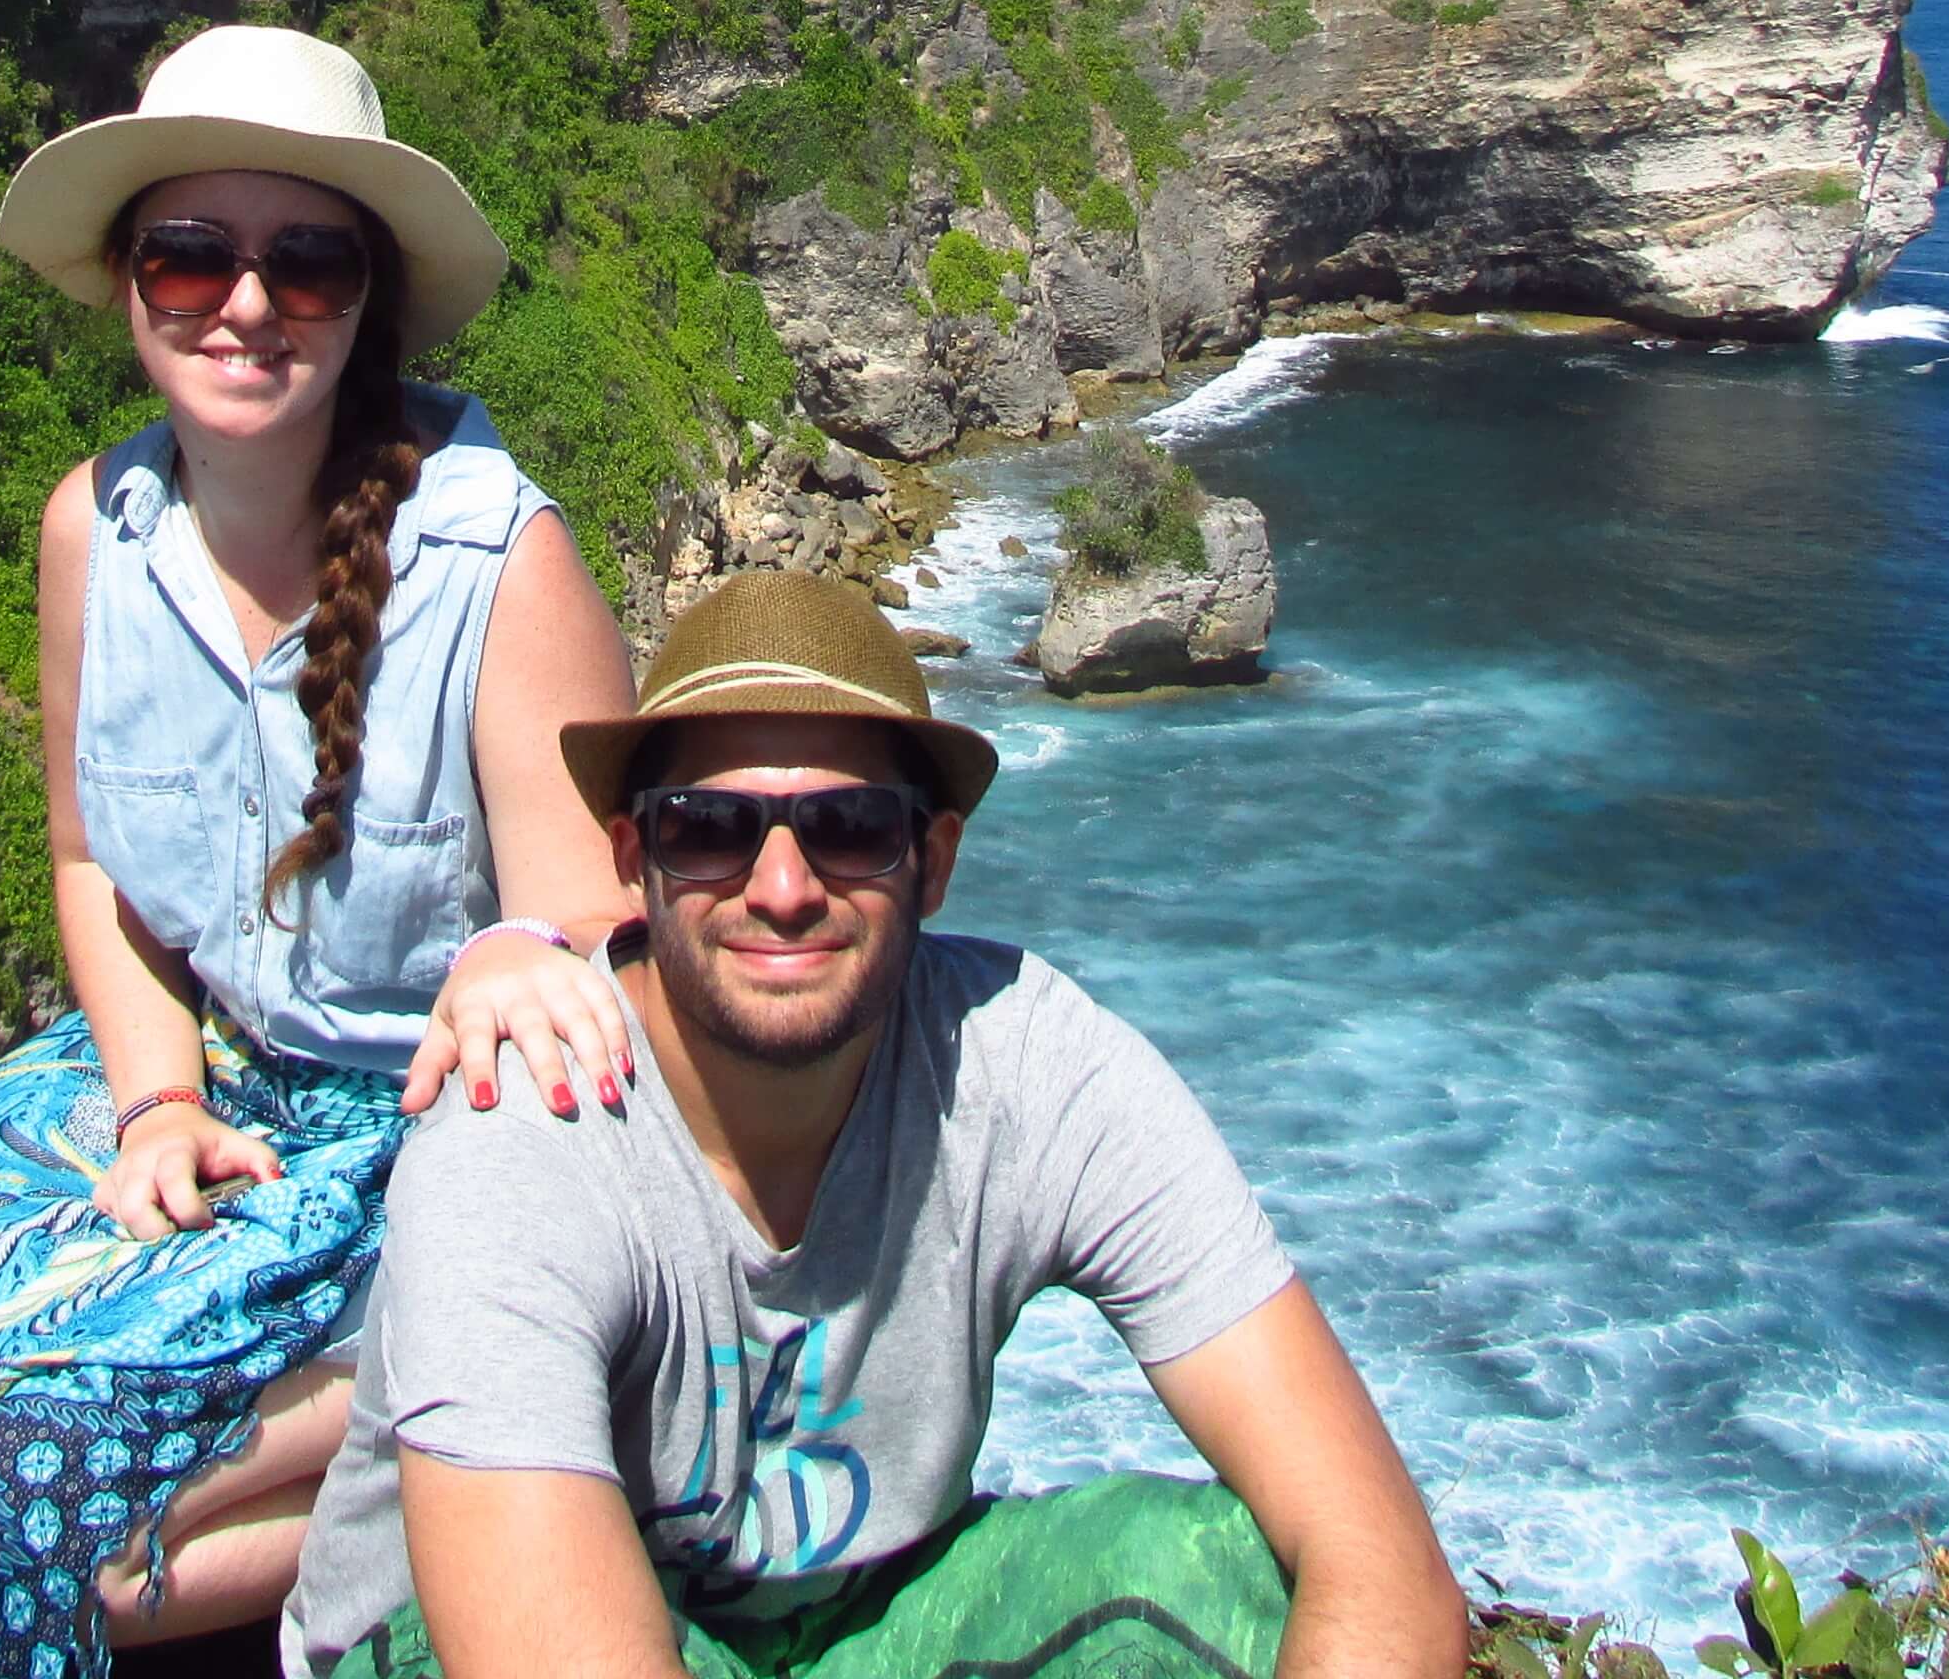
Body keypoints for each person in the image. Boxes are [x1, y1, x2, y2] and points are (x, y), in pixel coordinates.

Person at [0, 23, 642, 1679]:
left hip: (438, 1144)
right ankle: (432, 1446)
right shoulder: (96, 528)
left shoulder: (493, 559)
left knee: (9, 1507)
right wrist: (157, 1101)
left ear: (366, 302)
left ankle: (503, 1421)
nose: (245, 303)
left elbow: (599, 931)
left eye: (307, 263)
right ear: (128, 281)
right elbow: (91, 858)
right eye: (190, 255)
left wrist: (525, 947)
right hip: (208, 1073)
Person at [286, 571, 1466, 1679]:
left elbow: (1374, 1553)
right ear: (634, 859)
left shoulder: (1033, 1066)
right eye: (710, 827)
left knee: (1230, 1575)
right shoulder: (520, 1134)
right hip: (481, 1643)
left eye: (850, 826)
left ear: (931, 861)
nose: (782, 889)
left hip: (861, 1628)